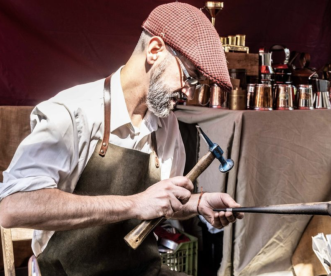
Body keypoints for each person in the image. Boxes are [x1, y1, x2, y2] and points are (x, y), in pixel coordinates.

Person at [0, 3, 243, 275]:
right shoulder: (72, 113)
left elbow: (159, 201)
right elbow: (13, 207)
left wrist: (197, 203)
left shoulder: (166, 124)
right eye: (188, 78)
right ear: (154, 50)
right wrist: (134, 204)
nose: (189, 93)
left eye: (196, 85)